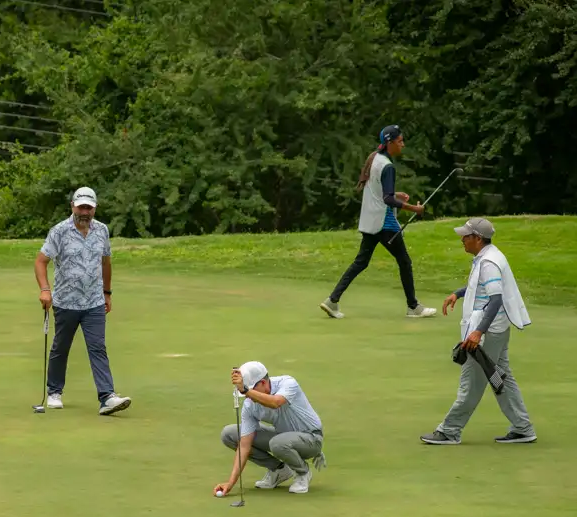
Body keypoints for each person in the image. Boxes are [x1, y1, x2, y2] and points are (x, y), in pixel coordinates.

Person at [421, 218, 536, 445]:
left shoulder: (489, 262)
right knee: (500, 378)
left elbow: (495, 299)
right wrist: (458, 293)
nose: (462, 240)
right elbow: (481, 286)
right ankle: (523, 428)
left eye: (466, 236)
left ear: (478, 238)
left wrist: (478, 332)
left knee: (471, 383)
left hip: (488, 333)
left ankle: (450, 431)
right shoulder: (489, 256)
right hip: (497, 330)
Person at [320, 125, 438, 319]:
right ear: (390, 143)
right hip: (385, 223)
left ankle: (332, 300)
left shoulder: (375, 158)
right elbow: (387, 200)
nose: (402, 144)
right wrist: (414, 209)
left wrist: (395, 194)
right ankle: (413, 307)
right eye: (399, 141)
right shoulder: (388, 166)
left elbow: (379, 191)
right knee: (404, 261)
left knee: (361, 262)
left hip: (370, 220)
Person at [34, 186, 132, 415]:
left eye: (89, 208)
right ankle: (54, 391)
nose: (85, 212)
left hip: (94, 302)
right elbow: (40, 261)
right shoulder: (59, 231)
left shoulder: (102, 230)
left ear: (94, 208)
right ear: (73, 206)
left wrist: (107, 293)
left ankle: (107, 397)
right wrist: (45, 290)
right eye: (81, 207)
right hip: (66, 302)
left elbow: (105, 262)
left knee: (98, 347)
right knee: (61, 347)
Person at [214, 361, 327, 496]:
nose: (248, 397)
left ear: (263, 383)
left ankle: (303, 473)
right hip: (283, 437)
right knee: (230, 434)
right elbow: (244, 446)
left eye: (251, 391)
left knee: (277, 443)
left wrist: (246, 390)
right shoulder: (250, 405)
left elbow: (275, 402)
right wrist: (230, 483)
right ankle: (279, 470)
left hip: (311, 438)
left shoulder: (288, 383)